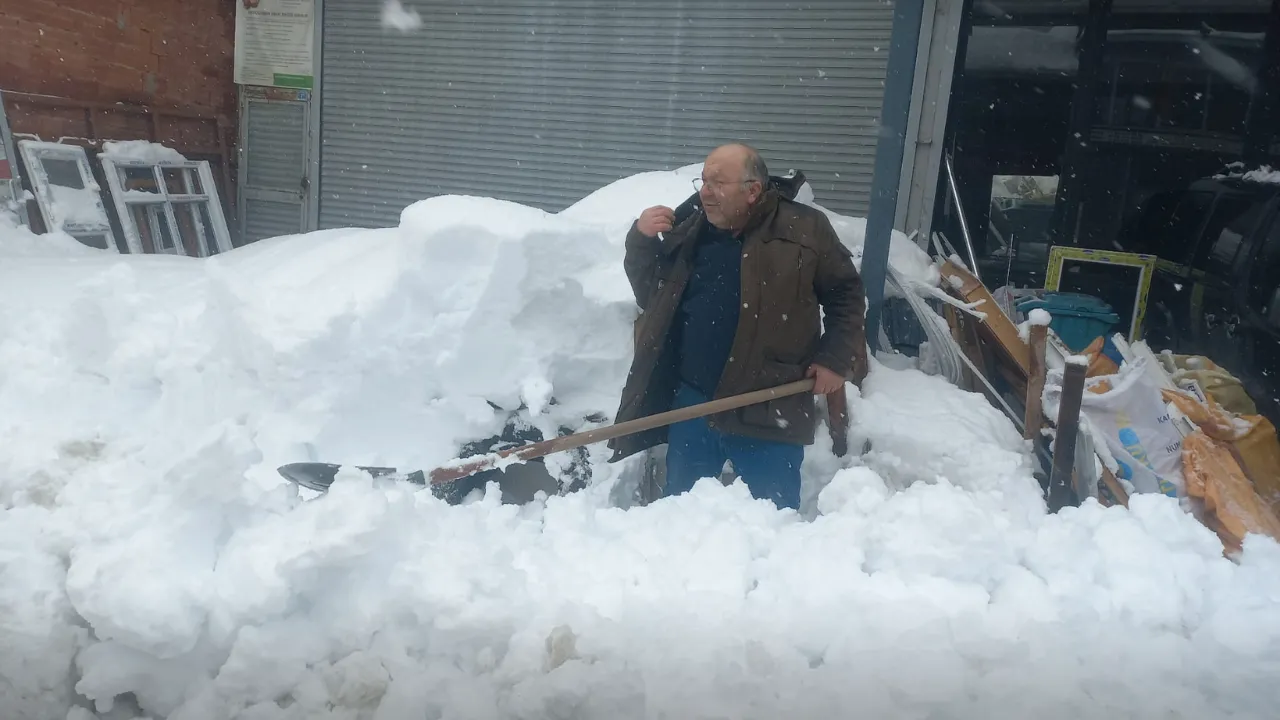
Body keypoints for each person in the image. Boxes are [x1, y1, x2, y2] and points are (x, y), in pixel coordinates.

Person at [606, 143, 868, 510]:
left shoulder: (804, 229)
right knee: (676, 521)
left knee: (771, 523)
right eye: (704, 180)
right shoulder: (689, 223)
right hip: (695, 403)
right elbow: (654, 296)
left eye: (718, 183)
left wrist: (836, 357)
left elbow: (846, 295)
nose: (704, 192)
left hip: (769, 403)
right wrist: (641, 241)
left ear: (752, 191)